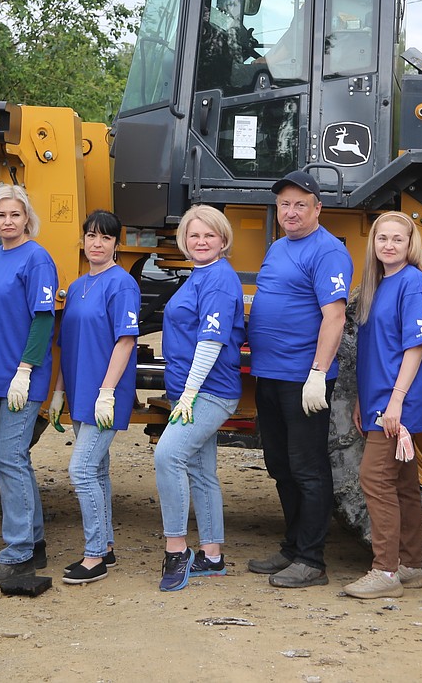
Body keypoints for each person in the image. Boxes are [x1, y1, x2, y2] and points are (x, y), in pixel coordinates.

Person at [247, 170, 353, 588]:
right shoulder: (277, 247)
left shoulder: (327, 251)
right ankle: (292, 547)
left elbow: (335, 316)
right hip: (269, 375)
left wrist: (317, 373)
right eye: (284, 205)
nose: (291, 212)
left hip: (302, 379)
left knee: (308, 469)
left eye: (300, 205)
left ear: (318, 209)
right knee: (280, 466)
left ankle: (312, 560)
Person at [344, 212, 422, 599]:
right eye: (382, 238)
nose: (389, 245)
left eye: (397, 239)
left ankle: (385, 571)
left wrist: (394, 403)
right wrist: (363, 401)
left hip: (397, 401)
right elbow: (374, 351)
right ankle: (410, 565)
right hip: (379, 400)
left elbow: (415, 347)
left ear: (410, 243)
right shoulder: (379, 284)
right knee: (401, 484)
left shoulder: (412, 283)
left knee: (375, 479)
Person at [153, 205, 246, 591]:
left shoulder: (219, 280)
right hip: (191, 390)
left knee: (167, 455)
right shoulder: (199, 275)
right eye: (194, 235)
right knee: (201, 471)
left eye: (209, 235)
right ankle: (212, 556)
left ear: (223, 240)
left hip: (208, 391)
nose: (201, 241)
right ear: (184, 242)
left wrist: (189, 394)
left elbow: (210, 341)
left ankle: (177, 550)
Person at [0, 185, 57, 585]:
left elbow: (43, 319)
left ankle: (19, 551)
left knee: (8, 458)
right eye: (0, 215)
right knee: (14, 461)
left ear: (27, 218)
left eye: (15, 215)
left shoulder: (37, 258)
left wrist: (25, 370)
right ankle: (33, 544)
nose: (8, 221)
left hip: (21, 377)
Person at [52, 209, 140, 585]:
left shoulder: (122, 285)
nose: (96, 243)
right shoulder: (75, 287)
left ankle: (93, 557)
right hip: (78, 391)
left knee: (82, 470)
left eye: (105, 238)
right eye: (91, 236)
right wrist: (58, 392)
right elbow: (65, 345)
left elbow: (125, 340)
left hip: (106, 394)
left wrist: (107, 392)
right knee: (98, 470)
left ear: (116, 244)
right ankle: (105, 546)